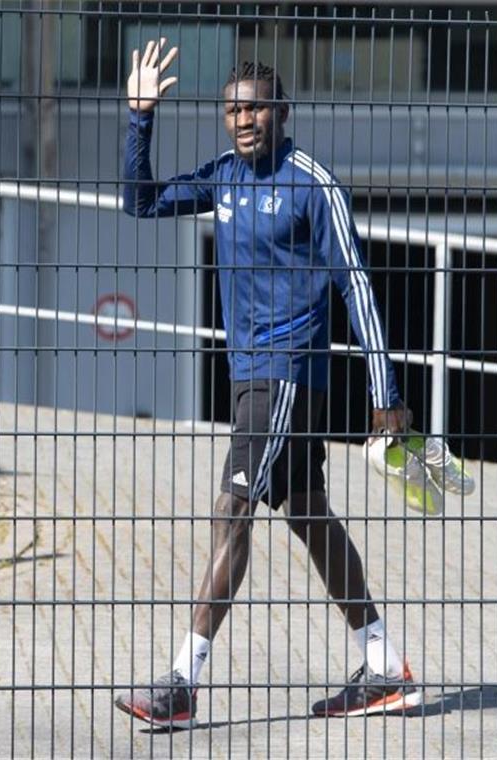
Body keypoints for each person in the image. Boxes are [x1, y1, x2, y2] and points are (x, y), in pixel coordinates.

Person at [113, 38, 420, 727]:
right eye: (231, 111)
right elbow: (139, 202)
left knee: (232, 509)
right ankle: (383, 668)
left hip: (286, 374)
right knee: (309, 514)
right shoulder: (223, 176)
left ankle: (181, 683)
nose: (241, 121)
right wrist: (139, 117)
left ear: (282, 112)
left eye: (253, 110)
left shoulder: (313, 183)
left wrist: (386, 394)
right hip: (252, 376)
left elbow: (358, 286)